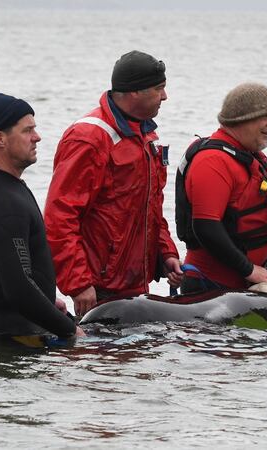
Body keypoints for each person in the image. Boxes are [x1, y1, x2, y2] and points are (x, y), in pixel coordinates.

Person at [44, 50, 182, 317]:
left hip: (135, 285)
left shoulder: (144, 133)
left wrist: (166, 254)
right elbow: (59, 217)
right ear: (134, 93)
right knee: (101, 358)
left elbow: (150, 208)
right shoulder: (89, 138)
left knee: (139, 356)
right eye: (159, 89)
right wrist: (78, 284)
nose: (165, 96)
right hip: (100, 289)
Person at [0, 93, 83, 339]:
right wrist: (71, 332)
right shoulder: (0, 201)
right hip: (12, 337)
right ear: (0, 139)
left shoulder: (6, 187)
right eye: (27, 130)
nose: (37, 137)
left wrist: (49, 299)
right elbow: (18, 289)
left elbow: (18, 273)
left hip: (19, 327)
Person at [175, 82, 267, 293]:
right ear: (242, 119)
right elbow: (206, 227)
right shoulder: (212, 161)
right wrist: (248, 269)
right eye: (266, 116)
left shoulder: (249, 154)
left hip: (247, 284)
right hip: (211, 286)